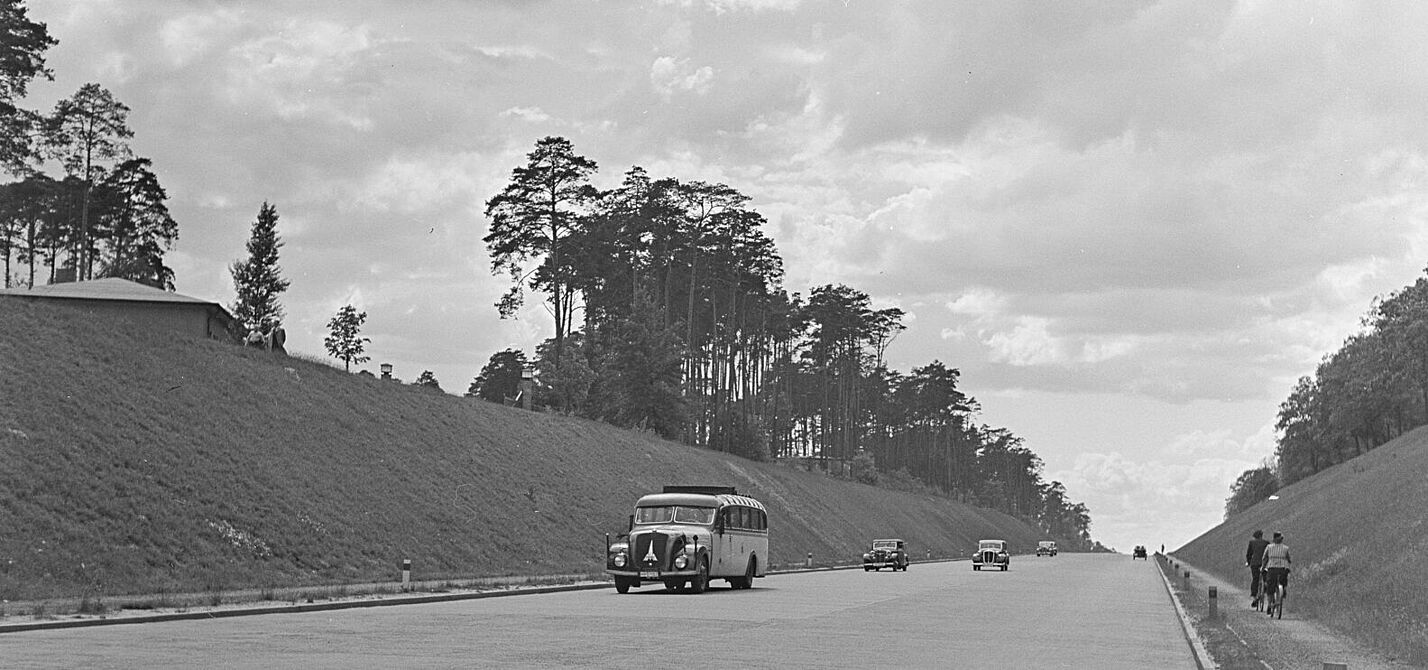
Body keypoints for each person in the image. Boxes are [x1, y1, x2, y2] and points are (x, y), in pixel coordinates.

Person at [1261, 531, 1292, 612]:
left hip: (1272, 568)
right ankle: (1283, 589)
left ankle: (1269, 604)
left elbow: (1264, 558)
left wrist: (1263, 567)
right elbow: (1289, 559)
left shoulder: (1269, 547)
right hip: (1282, 568)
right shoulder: (1286, 548)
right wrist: (1288, 561)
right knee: (1284, 580)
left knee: (1270, 587)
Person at [1245, 529, 1270, 607]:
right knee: (1265, 578)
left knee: (1255, 579)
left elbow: (1249, 554)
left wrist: (1248, 562)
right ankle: (1265, 589)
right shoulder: (1266, 543)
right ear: (1261, 536)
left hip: (1255, 563)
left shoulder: (1252, 543)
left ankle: (1254, 596)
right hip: (1264, 564)